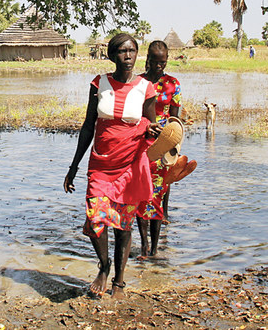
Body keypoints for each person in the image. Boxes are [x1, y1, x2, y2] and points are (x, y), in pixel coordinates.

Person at [63, 33, 161, 299]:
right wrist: (73, 167)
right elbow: (87, 126)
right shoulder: (100, 83)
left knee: (123, 225)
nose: (128, 56)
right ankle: (104, 267)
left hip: (130, 164)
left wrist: (154, 133)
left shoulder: (146, 87)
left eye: (132, 51)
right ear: (112, 54)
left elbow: (151, 130)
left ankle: (118, 281)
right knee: (96, 219)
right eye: (122, 51)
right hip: (101, 162)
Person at [135, 40, 182, 259]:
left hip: (163, 147)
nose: (158, 66)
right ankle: (144, 244)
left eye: (162, 62)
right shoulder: (137, 83)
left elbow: (175, 120)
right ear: (148, 60)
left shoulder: (174, 84)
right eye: (155, 62)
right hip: (139, 145)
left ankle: (154, 249)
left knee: (157, 194)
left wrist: (173, 148)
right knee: (140, 195)